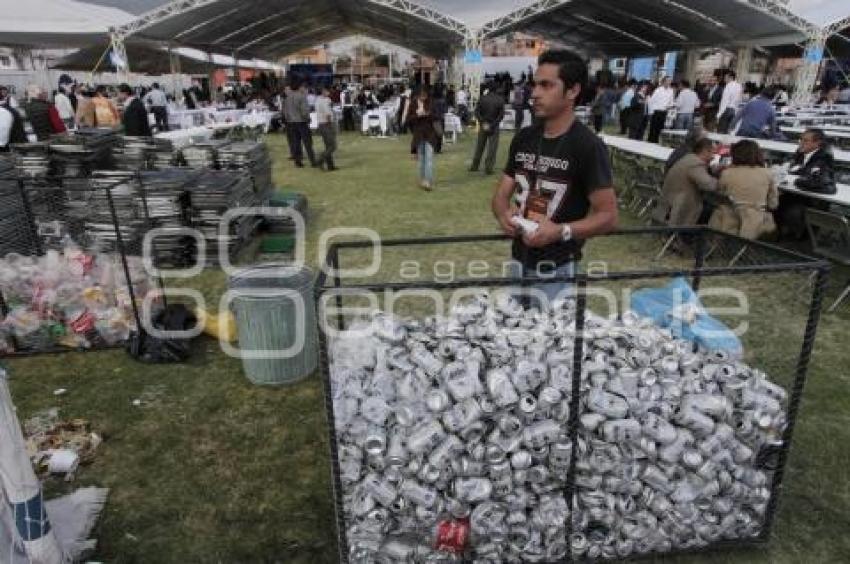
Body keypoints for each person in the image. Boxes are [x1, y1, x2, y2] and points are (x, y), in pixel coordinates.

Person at [492, 49, 618, 305]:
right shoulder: (524, 137)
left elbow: (609, 217)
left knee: (549, 341)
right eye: (535, 84)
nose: (535, 93)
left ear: (572, 91)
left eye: (546, 85)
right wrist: (503, 214)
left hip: (558, 269)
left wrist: (561, 231)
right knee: (515, 337)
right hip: (518, 260)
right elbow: (500, 195)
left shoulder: (587, 145)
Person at [708, 140, 778, 239]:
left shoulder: (727, 173)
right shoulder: (768, 174)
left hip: (728, 219)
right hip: (756, 222)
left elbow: (720, 196)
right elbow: (773, 204)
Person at [776, 128, 837, 240]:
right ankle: (779, 230)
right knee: (774, 198)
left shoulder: (824, 157)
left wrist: (796, 180)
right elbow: (795, 167)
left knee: (784, 203)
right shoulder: (801, 151)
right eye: (801, 140)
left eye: (805, 140)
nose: (801, 143)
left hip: (813, 198)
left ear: (817, 143)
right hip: (798, 191)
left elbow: (817, 181)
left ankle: (802, 234)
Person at [658, 138, 718, 226]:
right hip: (681, 208)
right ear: (705, 151)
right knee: (714, 210)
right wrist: (721, 181)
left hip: (669, 203)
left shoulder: (687, 159)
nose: (713, 157)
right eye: (713, 153)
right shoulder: (696, 164)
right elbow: (709, 185)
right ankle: (691, 237)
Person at [407, 87, 439, 191]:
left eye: (425, 96)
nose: (423, 98)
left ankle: (428, 181)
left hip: (430, 134)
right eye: (421, 96)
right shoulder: (412, 104)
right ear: (417, 95)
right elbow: (409, 119)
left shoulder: (431, 102)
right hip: (419, 134)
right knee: (421, 159)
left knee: (429, 159)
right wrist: (417, 115)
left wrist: (428, 114)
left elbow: (436, 116)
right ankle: (422, 180)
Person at [469, 84, 505, 175]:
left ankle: (475, 165)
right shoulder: (500, 100)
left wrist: (482, 122)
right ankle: (489, 167)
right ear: (496, 90)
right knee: (492, 148)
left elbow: (477, 112)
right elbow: (501, 116)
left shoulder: (482, 98)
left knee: (479, 146)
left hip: (484, 124)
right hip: (494, 125)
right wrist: (493, 125)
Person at [283, 81, 316, 168]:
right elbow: (304, 111)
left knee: (296, 143)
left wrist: (289, 120)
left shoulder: (287, 98)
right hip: (302, 122)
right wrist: (308, 119)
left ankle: (298, 162)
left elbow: (285, 112)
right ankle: (313, 161)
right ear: (299, 87)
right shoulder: (302, 97)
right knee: (308, 143)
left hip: (291, 123)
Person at [315, 86, 338, 171]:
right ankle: (320, 159)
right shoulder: (325, 100)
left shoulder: (317, 100)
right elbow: (327, 113)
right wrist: (330, 125)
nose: (329, 92)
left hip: (321, 124)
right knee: (332, 146)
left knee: (328, 146)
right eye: (328, 91)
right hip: (326, 124)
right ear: (323, 91)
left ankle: (330, 165)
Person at [647, 77, 675, 143]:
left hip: (664, 111)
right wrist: (651, 112)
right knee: (653, 127)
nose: (669, 82)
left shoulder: (671, 91)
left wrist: (670, 106)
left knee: (660, 127)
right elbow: (652, 101)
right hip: (656, 111)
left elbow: (671, 101)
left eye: (670, 81)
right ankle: (651, 140)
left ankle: (656, 140)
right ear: (664, 81)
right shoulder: (658, 90)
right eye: (667, 81)